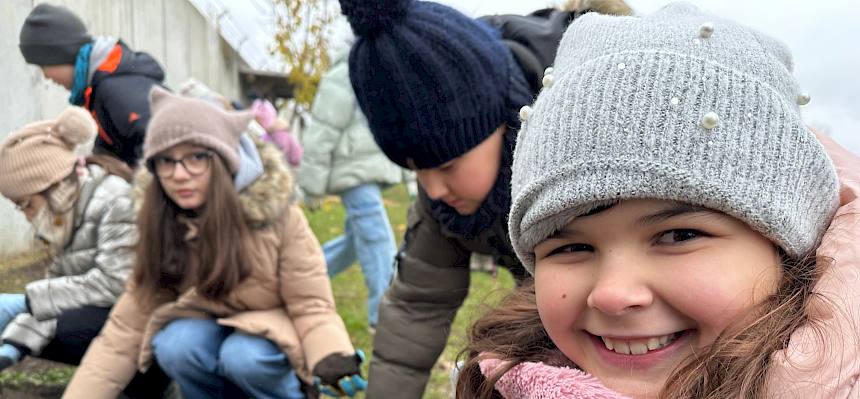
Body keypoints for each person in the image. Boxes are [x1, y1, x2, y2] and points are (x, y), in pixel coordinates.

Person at [456, 3, 857, 398]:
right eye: (572, 247)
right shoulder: (504, 381)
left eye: (679, 235)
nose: (613, 295)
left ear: (786, 250)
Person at [336, 0, 632, 396]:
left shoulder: (595, 142)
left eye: (447, 166)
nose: (434, 189)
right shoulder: (446, 203)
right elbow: (416, 310)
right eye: (416, 169)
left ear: (502, 122)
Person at [63, 88, 366, 399]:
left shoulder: (278, 217)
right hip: (206, 328)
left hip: (271, 334)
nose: (179, 175)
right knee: (175, 344)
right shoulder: (162, 222)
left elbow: (310, 303)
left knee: (244, 356)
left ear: (224, 160)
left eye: (196, 158)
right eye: (166, 161)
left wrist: (332, 356)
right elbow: (124, 331)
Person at [0, 107, 170, 397]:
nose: (27, 216)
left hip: (145, 322)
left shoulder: (117, 201)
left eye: (26, 204)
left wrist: (32, 302)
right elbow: (57, 283)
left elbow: (115, 284)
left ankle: (147, 386)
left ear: (51, 186)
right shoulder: (67, 209)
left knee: (57, 322)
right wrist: (15, 342)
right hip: (106, 313)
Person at [298, 45, 408, 332]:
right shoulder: (342, 76)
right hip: (350, 173)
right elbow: (322, 131)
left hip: (367, 170)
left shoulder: (383, 72)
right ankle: (382, 315)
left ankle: (297, 280)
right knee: (377, 237)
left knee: (354, 242)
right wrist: (311, 186)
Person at [19, 3, 165, 166]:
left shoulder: (113, 88)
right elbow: (114, 147)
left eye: (43, 66)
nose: (46, 76)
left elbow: (161, 145)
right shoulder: (99, 87)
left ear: (60, 55)